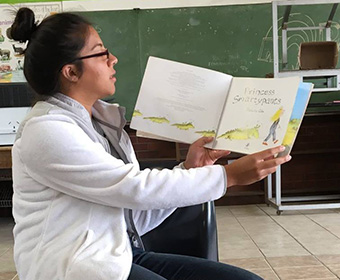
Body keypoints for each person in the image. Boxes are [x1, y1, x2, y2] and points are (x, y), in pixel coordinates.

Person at [9, 8, 291, 280]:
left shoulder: (101, 123)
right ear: (71, 72)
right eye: (101, 52)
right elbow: (134, 188)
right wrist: (228, 176)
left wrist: (190, 167)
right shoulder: (45, 130)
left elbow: (133, 218)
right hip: (72, 268)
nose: (113, 59)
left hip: (115, 255)